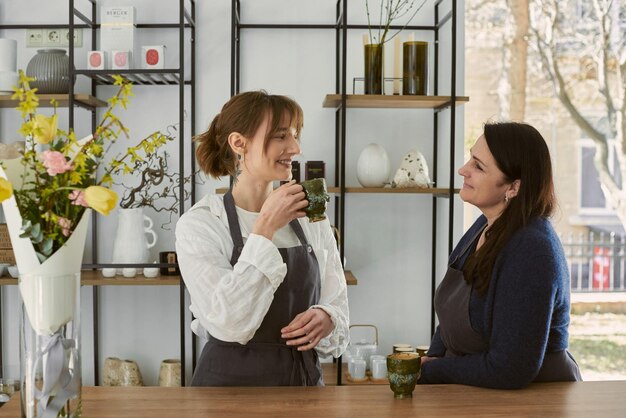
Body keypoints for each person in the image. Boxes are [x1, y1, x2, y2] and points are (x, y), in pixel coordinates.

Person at [175, 91, 349, 386]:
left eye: (295, 135)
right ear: (238, 143)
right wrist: (266, 225)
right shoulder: (201, 224)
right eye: (281, 136)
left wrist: (327, 316)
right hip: (226, 390)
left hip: (301, 386)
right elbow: (229, 322)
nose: (295, 147)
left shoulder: (310, 218)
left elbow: (338, 303)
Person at [418, 122, 581, 389]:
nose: (463, 170)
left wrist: (436, 370)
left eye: (478, 166)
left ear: (513, 187)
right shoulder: (484, 225)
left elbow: (510, 369)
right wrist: (433, 356)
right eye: (471, 158)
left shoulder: (532, 250)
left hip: (533, 400)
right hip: (479, 387)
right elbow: (451, 314)